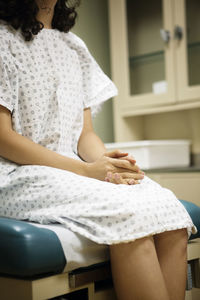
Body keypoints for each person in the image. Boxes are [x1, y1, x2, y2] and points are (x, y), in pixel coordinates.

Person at [0, 1, 197, 299]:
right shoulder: (3, 41)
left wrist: (107, 164)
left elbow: (85, 134)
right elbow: (3, 138)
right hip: (17, 174)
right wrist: (86, 170)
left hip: (69, 171)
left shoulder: (74, 47)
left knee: (169, 209)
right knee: (128, 214)